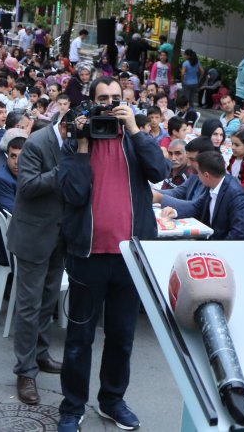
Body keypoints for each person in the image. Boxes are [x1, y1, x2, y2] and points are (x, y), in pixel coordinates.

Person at [56, 76, 169, 432]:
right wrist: (84, 144)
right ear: (90, 103)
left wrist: (135, 129)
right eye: (101, 98)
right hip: (87, 256)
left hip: (128, 258)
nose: (108, 103)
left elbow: (160, 171)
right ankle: (72, 407)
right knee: (79, 340)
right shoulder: (76, 143)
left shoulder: (136, 140)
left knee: (121, 337)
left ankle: (112, 401)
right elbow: (73, 194)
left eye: (115, 98)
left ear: (126, 101)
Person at [7, 111, 72, 407]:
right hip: (34, 235)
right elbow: (28, 186)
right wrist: (65, 169)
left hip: (60, 234)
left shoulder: (76, 144)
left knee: (48, 300)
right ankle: (25, 370)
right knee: (29, 304)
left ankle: (42, 353)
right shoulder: (37, 143)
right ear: (67, 126)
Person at [160, 150, 244, 240]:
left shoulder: (237, 196)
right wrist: (175, 212)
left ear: (206, 175)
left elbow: (239, 234)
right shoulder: (213, 184)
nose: (198, 177)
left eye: (198, 173)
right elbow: (197, 207)